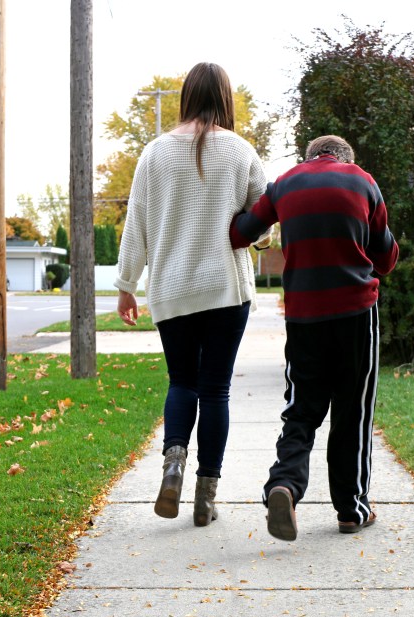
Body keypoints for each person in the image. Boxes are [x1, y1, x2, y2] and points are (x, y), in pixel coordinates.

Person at [114, 62, 268, 527]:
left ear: (184, 96)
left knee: (181, 381)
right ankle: (206, 497)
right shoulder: (241, 152)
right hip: (225, 290)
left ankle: (173, 465)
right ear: (225, 98)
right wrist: (256, 238)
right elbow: (266, 214)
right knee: (215, 389)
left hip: (172, 290)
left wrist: (126, 285)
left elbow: (135, 224)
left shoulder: (154, 154)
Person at [229, 135, 399, 541]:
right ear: (345, 158)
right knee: (352, 411)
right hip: (356, 314)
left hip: (304, 318)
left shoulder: (284, 184)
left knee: (301, 409)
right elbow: (387, 258)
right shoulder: (363, 182)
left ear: (310, 157)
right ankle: (351, 510)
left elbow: (242, 233)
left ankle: (284, 485)